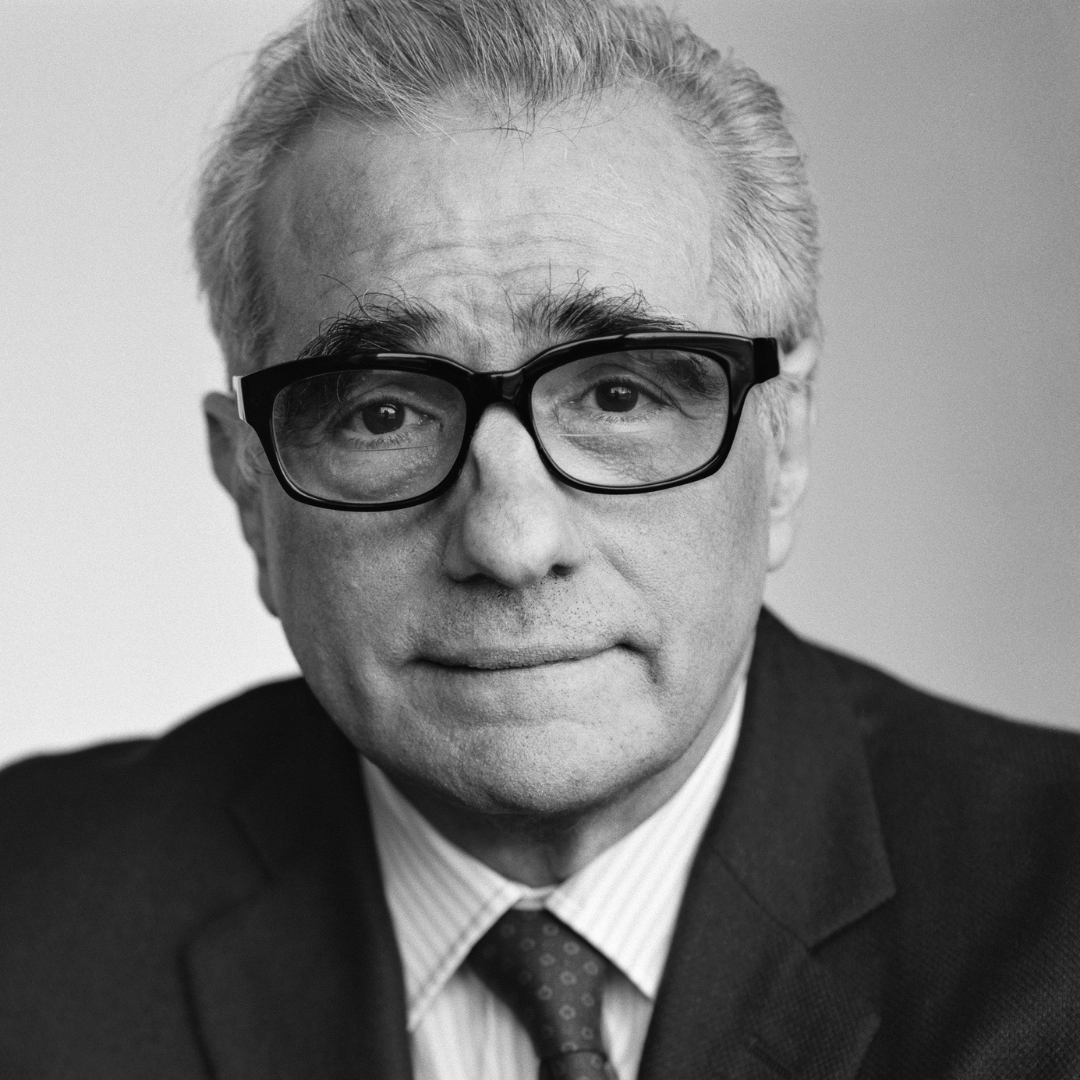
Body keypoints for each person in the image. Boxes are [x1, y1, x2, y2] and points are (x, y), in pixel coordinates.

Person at [1, 0, 1077, 1076]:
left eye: (616, 396)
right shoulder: (29, 923)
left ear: (782, 442)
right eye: (384, 414)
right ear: (249, 488)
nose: (511, 542)